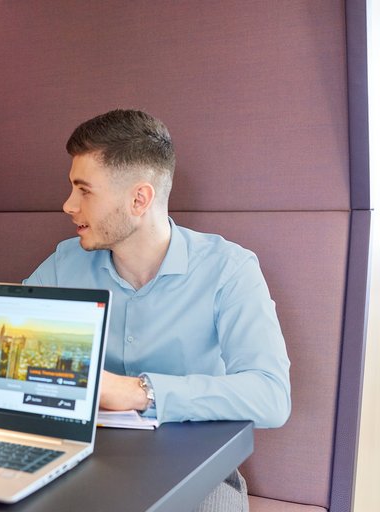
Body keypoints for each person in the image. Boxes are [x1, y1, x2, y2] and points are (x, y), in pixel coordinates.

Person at [24, 109, 291, 511]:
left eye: (84, 190)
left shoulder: (229, 270)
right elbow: (5, 344)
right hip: (79, 460)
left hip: (197, 473)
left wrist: (139, 391)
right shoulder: (65, 263)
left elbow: (270, 395)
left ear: (139, 198)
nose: (68, 205)